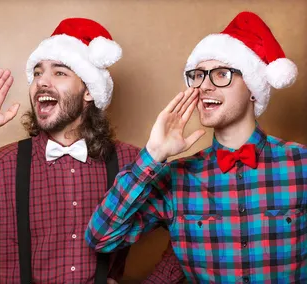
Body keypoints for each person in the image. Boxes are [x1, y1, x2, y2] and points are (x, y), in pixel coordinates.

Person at [0, 17, 180, 283]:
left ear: (89, 91)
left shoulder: (132, 163)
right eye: (37, 73)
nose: (41, 82)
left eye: (59, 72)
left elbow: (192, 229)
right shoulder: (5, 165)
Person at [85, 11, 304, 283]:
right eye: (198, 75)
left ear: (253, 88)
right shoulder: (178, 176)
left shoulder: (301, 164)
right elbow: (101, 237)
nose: (204, 86)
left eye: (221, 74)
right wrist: (153, 156)